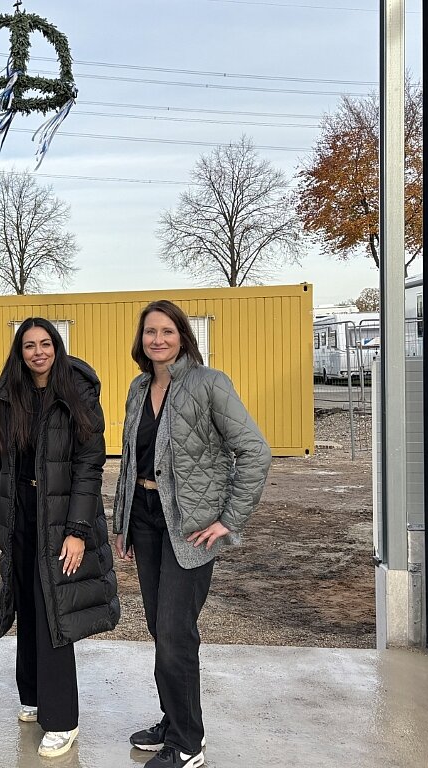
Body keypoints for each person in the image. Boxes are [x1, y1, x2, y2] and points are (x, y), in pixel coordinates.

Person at [113, 300, 271, 768]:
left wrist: (229, 520)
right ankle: (173, 718)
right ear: (140, 340)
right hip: (144, 518)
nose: (157, 339)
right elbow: (129, 462)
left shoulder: (209, 383)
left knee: (176, 632)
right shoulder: (138, 387)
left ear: (183, 336)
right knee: (159, 628)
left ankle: (187, 744)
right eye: (149, 332)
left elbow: (255, 452)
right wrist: (120, 523)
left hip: (189, 526)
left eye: (166, 331)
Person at [0, 317, 121, 758]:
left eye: (45, 344)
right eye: (28, 346)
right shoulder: (9, 393)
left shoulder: (77, 391)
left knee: (55, 613)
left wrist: (77, 531)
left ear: (56, 347)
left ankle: (63, 720)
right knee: (27, 602)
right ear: (19, 352)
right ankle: (34, 695)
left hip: (61, 517)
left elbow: (89, 466)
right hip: (21, 514)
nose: (37, 352)